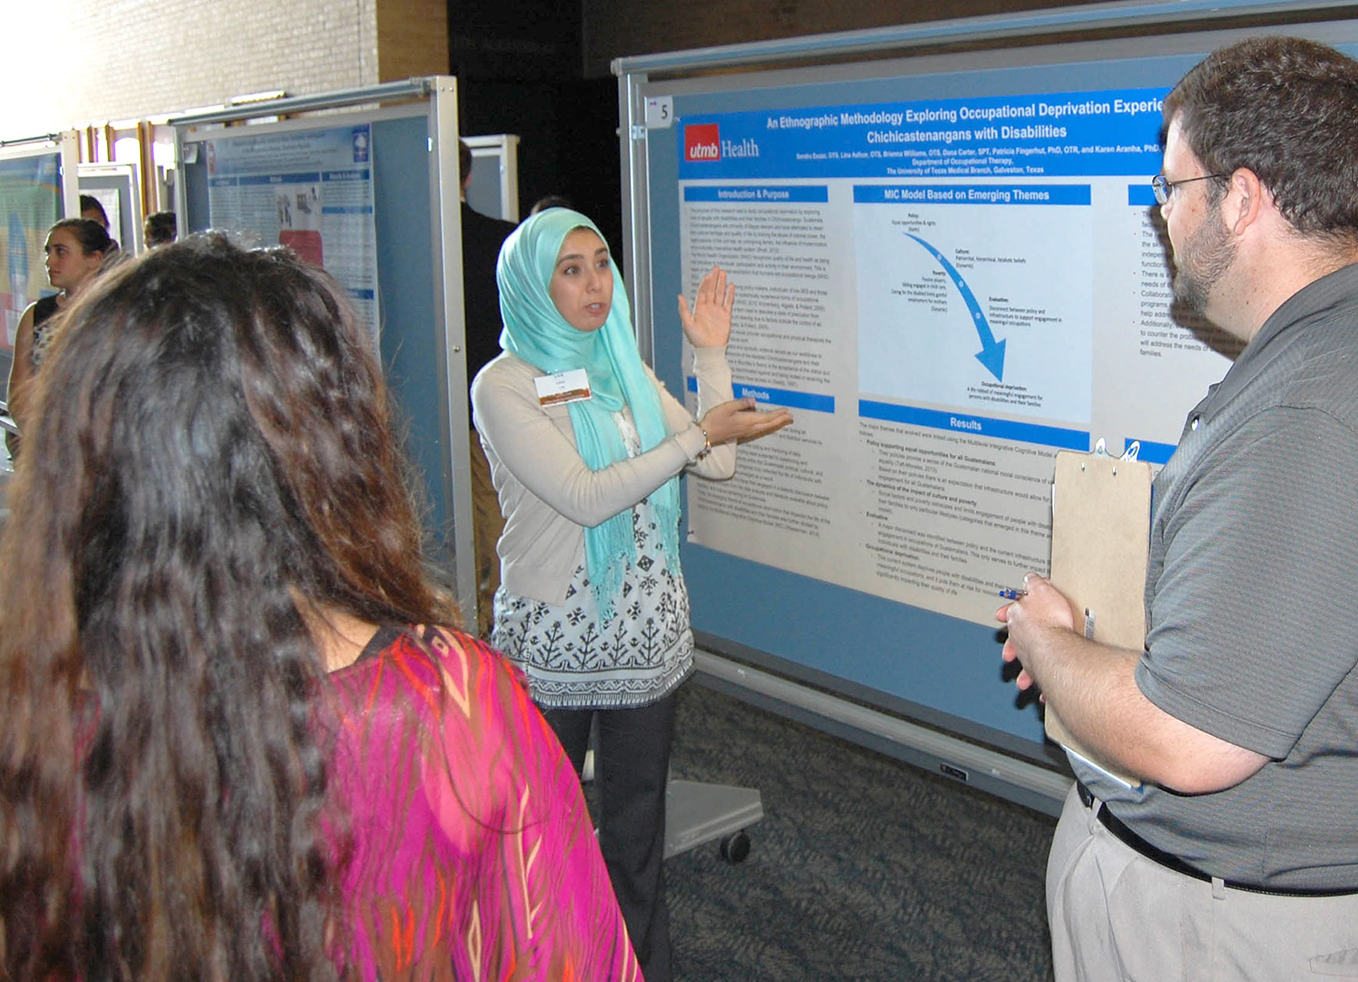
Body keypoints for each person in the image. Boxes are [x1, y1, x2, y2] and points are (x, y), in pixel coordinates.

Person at [0, 233, 642, 982]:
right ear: (334, 441)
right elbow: (565, 950)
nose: (594, 284)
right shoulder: (447, 706)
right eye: (572, 266)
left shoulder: (38, 717)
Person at [999, 35, 1358, 981]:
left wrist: (1046, 639)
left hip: (1247, 932)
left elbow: (1188, 740)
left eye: (1171, 188)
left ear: (1242, 197)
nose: (1159, 212)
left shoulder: (1315, 418)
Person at [473, 207, 791, 981]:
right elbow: (584, 496)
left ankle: (641, 968)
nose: (593, 284)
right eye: (570, 268)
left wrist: (709, 356)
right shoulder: (505, 385)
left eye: (601, 263)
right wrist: (693, 437)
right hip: (555, 641)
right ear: (531, 283)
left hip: (643, 640)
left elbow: (715, 466)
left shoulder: (620, 368)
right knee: (537, 835)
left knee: (635, 833)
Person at [459, 139, 519, 636]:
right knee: (491, 509)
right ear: (468, 177)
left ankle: (486, 620)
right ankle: (490, 620)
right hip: (496, 401)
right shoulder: (503, 240)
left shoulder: (421, 242)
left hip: (438, 401)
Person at [6, 218, 111, 442]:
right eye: (48, 252)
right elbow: (19, 393)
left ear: (94, 259)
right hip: (49, 441)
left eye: (61, 252)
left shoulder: (117, 312)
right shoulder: (36, 315)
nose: (50, 261)